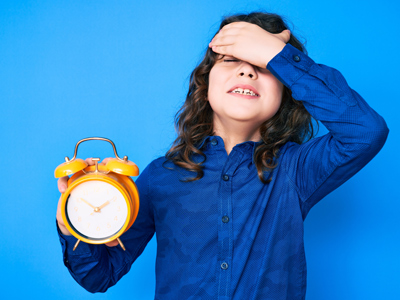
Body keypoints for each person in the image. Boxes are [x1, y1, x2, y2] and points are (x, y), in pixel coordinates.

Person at [56, 12, 388, 299]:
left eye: (263, 64)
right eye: (231, 60)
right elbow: (98, 275)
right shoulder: (161, 176)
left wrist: (280, 56)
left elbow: (364, 131)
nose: (247, 72)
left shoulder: (296, 169)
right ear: (205, 82)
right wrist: (74, 222)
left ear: (287, 92)